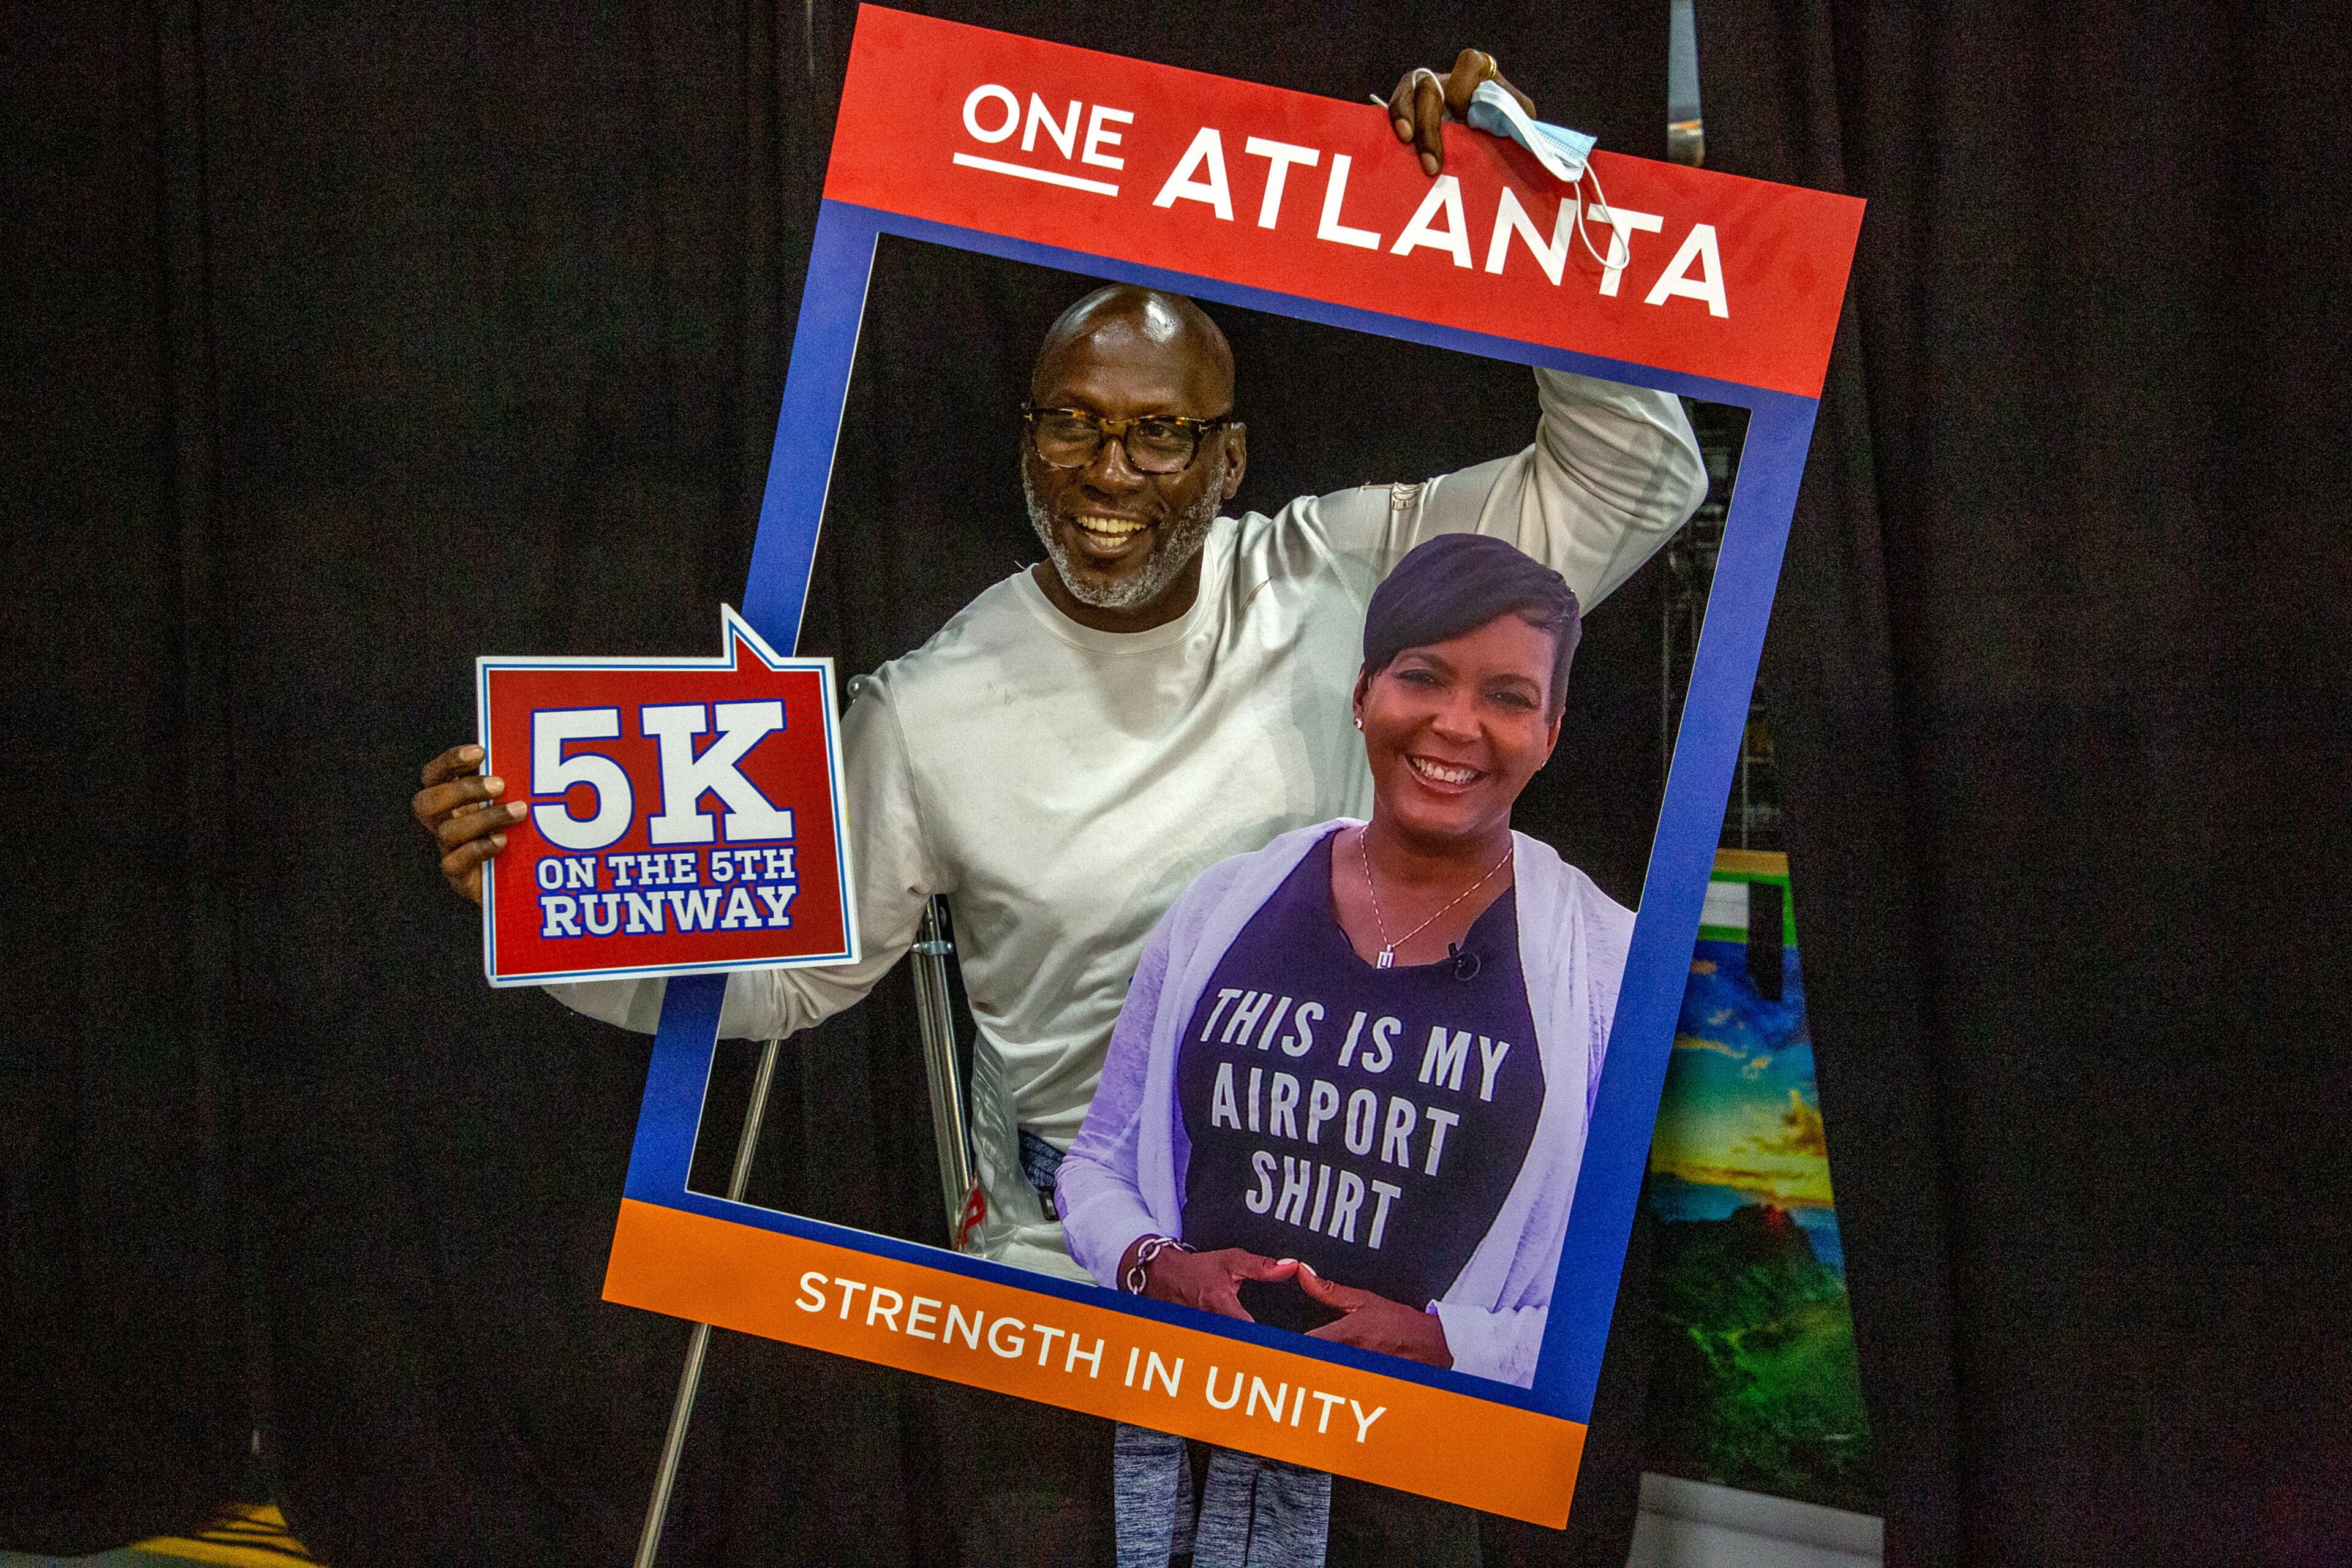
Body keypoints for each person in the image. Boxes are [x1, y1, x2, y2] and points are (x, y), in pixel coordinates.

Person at [412, 49, 1705, 1565]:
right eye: (1074, 424)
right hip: (1080, 1304)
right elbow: (783, 973)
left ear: (1226, 460)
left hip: (1367, 1292)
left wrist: (1512, 195)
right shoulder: (929, 705)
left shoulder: (1351, 577)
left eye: (1160, 433)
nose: (1111, 468)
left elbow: (1635, 483)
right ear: (1029, 442)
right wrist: (543, 896)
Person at [1057, 533, 1627, 1564]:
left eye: (1506, 695)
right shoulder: (1224, 906)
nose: (1457, 724)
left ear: (1551, 731)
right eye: (1423, 677)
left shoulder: (1608, 966)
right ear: (1364, 694)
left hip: (1417, 1501)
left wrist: (1450, 1344)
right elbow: (1099, 1160)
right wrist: (1153, 1264)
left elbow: (1617, 1292)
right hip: (1178, 1455)